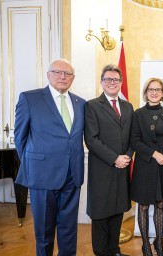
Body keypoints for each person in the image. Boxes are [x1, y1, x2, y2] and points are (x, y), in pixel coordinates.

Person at [14, 59, 86, 256]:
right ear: (48, 75)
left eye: (67, 74)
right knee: (44, 232)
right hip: (43, 176)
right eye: (57, 72)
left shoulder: (81, 103)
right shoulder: (30, 98)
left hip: (73, 175)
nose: (62, 77)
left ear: (73, 78)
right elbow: (20, 139)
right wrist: (35, 164)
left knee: (69, 230)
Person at [84, 64, 134, 256]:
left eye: (115, 80)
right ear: (102, 82)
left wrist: (127, 157)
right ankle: (101, 252)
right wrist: (115, 159)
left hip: (122, 169)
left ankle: (114, 251)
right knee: (101, 215)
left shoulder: (128, 107)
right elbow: (91, 140)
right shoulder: (92, 105)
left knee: (117, 212)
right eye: (108, 79)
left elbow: (132, 137)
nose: (112, 83)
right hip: (103, 169)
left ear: (121, 82)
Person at [130, 78, 163, 256]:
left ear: (162, 93)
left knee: (160, 204)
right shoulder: (138, 113)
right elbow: (134, 141)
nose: (154, 92)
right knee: (143, 205)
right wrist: (154, 154)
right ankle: (145, 245)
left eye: (158, 89)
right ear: (146, 92)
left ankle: (159, 243)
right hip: (146, 164)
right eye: (151, 89)